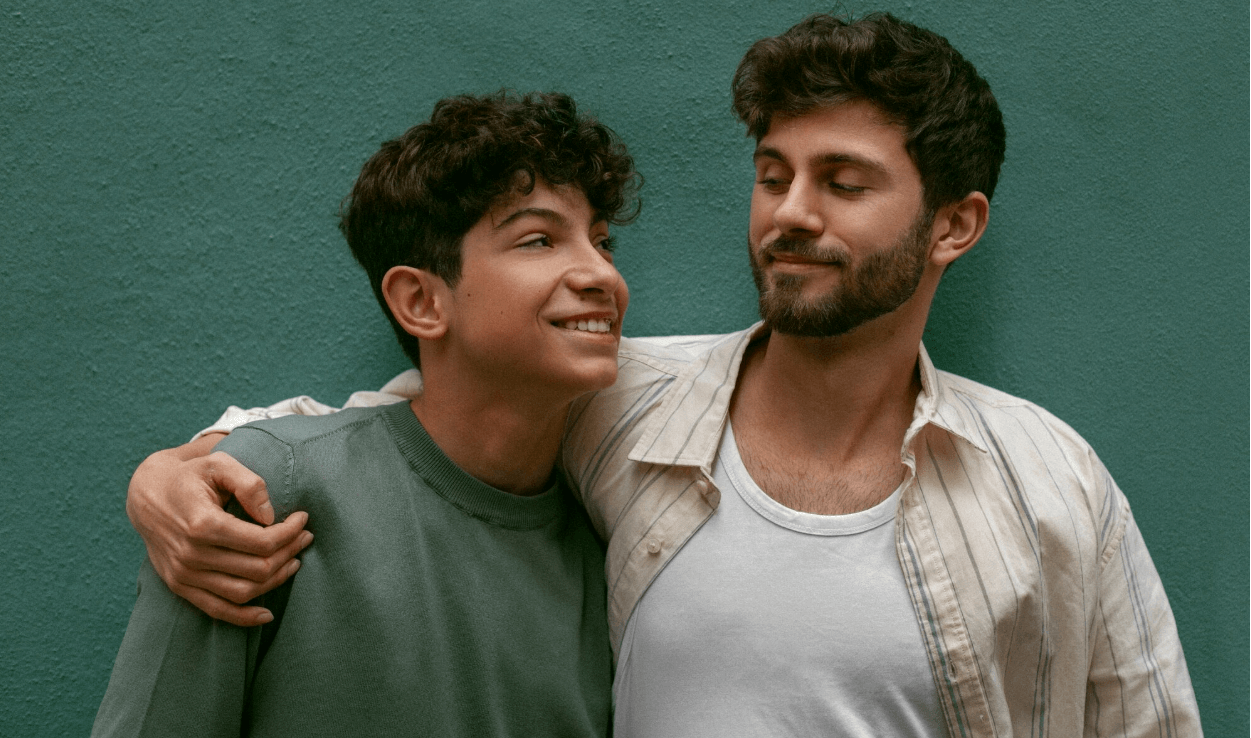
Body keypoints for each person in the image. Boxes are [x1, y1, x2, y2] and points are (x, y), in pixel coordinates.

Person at [124, 12, 1202, 738]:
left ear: (954, 225)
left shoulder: (1049, 480)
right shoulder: (626, 404)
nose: (790, 213)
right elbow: (423, 425)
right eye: (773, 175)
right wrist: (181, 470)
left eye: (843, 182)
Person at [94, 90, 639, 736]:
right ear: (420, 301)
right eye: (539, 239)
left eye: (601, 243)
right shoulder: (260, 490)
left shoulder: (614, 551)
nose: (601, 275)